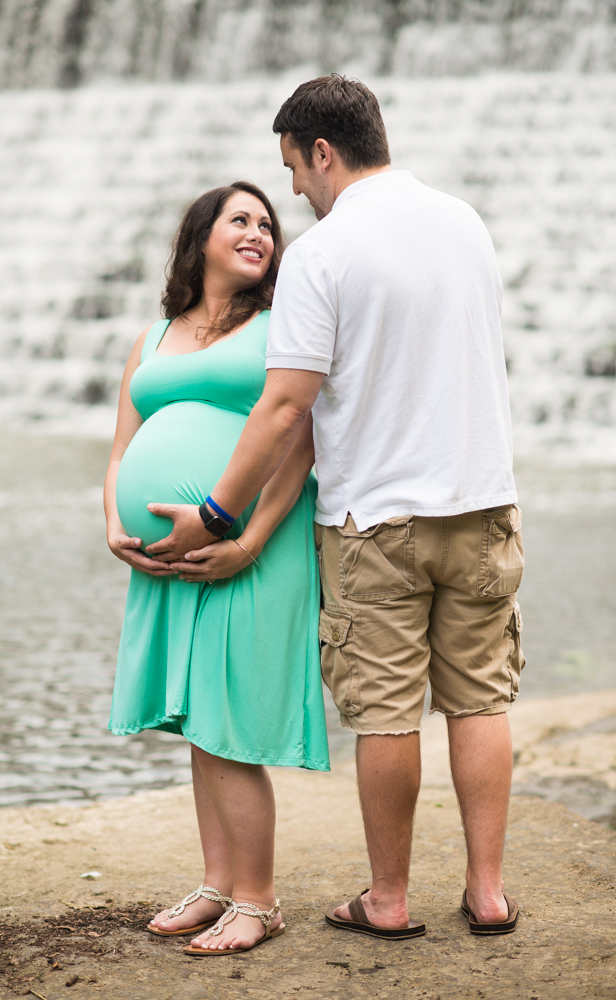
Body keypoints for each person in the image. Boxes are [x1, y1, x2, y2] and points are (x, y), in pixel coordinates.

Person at [154, 75, 525, 940]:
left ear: (322, 151)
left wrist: (217, 515)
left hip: (374, 523)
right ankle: (487, 893)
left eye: (292, 167)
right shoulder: (464, 222)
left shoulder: (324, 252)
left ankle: (387, 901)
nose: (291, 190)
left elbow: (284, 407)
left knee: (388, 713)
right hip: (483, 504)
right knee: (480, 701)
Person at [103, 180, 330, 955]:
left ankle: (257, 900)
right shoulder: (155, 334)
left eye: (268, 224)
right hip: (165, 555)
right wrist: (113, 520)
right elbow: (123, 444)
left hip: (250, 546)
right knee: (202, 723)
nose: (259, 232)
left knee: (229, 720)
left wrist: (250, 539)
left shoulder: (280, 325)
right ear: (199, 235)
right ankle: (215, 884)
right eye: (240, 220)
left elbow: (299, 438)